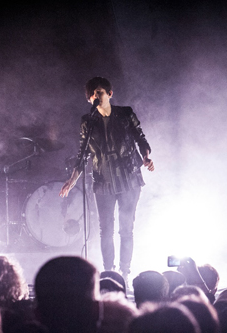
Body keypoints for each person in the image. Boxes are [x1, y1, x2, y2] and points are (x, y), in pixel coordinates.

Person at [60, 77, 154, 281]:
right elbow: (83, 152)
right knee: (106, 230)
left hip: (129, 179)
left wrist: (146, 157)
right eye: (93, 94)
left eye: (100, 92)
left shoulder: (125, 114)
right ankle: (110, 272)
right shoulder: (88, 121)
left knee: (126, 228)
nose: (97, 96)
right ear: (89, 99)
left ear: (110, 94)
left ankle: (125, 272)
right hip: (103, 181)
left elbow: (140, 137)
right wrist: (73, 179)